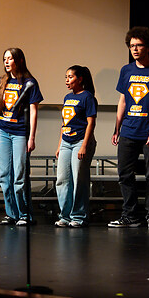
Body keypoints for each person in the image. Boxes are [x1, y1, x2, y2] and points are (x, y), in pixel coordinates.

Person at [109, 27, 149, 229]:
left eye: (138, 45)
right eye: (131, 45)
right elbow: (123, 100)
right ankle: (130, 215)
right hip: (128, 129)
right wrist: (117, 128)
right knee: (125, 175)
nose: (134, 49)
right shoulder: (126, 70)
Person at [0, 48, 43, 226]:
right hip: (3, 131)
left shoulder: (29, 82)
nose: (6, 62)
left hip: (20, 133)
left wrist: (31, 137)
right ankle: (11, 213)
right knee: (4, 175)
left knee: (19, 176)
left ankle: (24, 214)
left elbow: (34, 112)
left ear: (19, 60)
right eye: (4, 58)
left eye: (10, 58)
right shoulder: (2, 81)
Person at [54, 65, 97, 228]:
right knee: (62, 180)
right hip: (66, 142)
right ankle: (65, 216)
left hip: (80, 142)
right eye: (66, 77)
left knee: (79, 180)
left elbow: (91, 123)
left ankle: (79, 216)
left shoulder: (88, 97)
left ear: (80, 79)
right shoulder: (67, 97)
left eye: (70, 77)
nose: (67, 80)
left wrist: (84, 145)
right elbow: (64, 123)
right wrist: (59, 145)